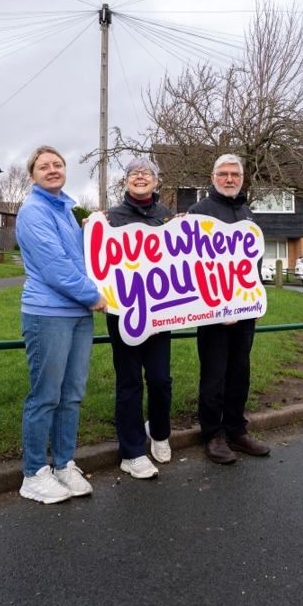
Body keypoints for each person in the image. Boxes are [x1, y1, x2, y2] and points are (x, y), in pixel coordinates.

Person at [16, 146, 108, 504]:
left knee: (71, 395)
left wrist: (92, 230)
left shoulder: (65, 210)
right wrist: (95, 297)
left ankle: (63, 464)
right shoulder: (33, 211)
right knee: (46, 395)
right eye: (43, 166)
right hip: (48, 314)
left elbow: (77, 257)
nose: (52, 170)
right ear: (32, 175)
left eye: (57, 164)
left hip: (77, 316)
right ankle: (33, 473)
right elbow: (55, 268)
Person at [188, 154, 271, 464]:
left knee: (239, 374)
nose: (229, 179)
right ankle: (213, 435)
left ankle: (236, 430)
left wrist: (257, 297)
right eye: (223, 174)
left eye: (234, 174)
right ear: (213, 178)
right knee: (213, 376)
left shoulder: (248, 214)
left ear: (242, 178)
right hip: (212, 314)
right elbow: (191, 267)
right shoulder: (199, 212)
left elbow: (254, 263)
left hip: (245, 312)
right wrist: (215, 307)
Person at [106, 157, 173, 479]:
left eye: (146, 173)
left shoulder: (167, 217)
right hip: (125, 312)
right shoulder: (110, 218)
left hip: (161, 311)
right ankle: (131, 451)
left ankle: (159, 432)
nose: (140, 176)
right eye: (134, 173)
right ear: (125, 182)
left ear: (157, 181)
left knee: (160, 379)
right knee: (130, 381)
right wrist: (94, 226)